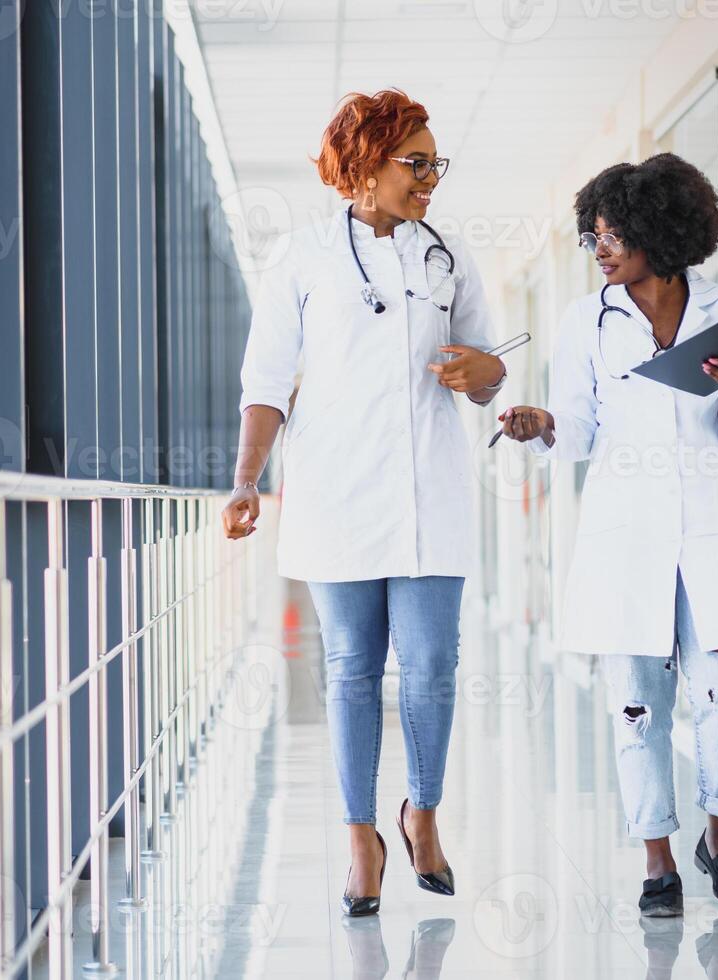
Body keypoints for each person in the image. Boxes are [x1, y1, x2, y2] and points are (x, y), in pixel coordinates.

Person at [222, 89, 504, 917]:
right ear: (364, 165)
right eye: (414, 163)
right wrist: (246, 481)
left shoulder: (449, 256)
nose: (429, 178)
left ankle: (421, 810)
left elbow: (491, 371)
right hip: (336, 493)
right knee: (349, 673)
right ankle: (360, 841)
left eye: (433, 162)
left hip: (431, 492)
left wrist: (482, 374)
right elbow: (266, 382)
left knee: (431, 667)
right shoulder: (302, 256)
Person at [500, 153, 718, 916]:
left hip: (708, 534)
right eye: (593, 238)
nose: (602, 250)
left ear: (661, 229)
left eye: (614, 234)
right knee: (639, 706)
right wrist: (543, 423)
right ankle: (656, 857)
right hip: (627, 539)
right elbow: (579, 432)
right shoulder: (584, 321)